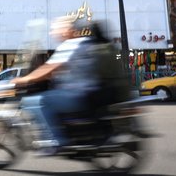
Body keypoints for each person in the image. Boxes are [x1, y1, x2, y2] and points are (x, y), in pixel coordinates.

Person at [12, 17, 128, 149]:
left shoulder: (71, 44)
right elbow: (56, 71)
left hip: (76, 95)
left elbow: (50, 68)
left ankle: (55, 140)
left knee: (37, 101)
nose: (52, 32)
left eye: (56, 28)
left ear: (68, 30)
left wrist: (25, 79)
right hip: (85, 93)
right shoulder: (84, 43)